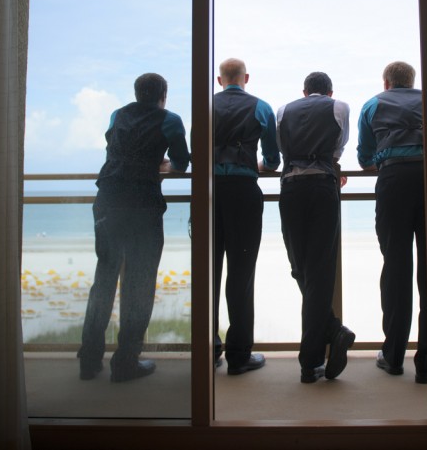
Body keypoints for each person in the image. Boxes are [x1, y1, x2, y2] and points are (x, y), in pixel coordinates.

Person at [77, 73, 190, 382]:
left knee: (104, 278)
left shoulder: (118, 114)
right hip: (142, 205)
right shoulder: (170, 120)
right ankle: (126, 361)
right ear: (163, 95)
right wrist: (162, 164)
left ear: (136, 93)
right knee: (139, 284)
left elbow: (112, 146)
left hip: (108, 200)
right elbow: (182, 162)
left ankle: (89, 359)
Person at [356, 61, 427, 384]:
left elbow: (365, 157)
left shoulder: (372, 105)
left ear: (386, 83)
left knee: (396, 267)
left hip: (394, 180)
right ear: (413, 82)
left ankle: (394, 356)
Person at [276, 72, 357, 383]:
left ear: (304, 91)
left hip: (291, 188)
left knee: (299, 267)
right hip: (323, 187)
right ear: (330, 91)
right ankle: (332, 332)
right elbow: (338, 148)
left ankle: (312, 360)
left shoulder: (283, 111)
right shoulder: (340, 108)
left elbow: (283, 148)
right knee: (318, 270)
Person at [213, 58, 280, 375]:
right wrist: (259, 165)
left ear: (219, 80)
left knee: (208, 271)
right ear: (246, 78)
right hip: (243, 191)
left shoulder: (205, 105)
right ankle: (238, 354)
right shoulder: (261, 107)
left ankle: (208, 349)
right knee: (241, 273)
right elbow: (272, 158)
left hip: (210, 194)